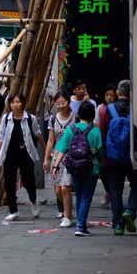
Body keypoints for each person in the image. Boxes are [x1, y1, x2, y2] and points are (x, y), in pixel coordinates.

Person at [52, 100, 103, 237]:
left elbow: (62, 149)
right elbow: (100, 151)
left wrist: (56, 165)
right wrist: (100, 164)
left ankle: (81, 222)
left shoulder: (71, 129)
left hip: (74, 168)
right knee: (86, 196)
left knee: (80, 196)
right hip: (91, 169)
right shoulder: (96, 131)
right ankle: (81, 226)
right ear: (92, 116)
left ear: (79, 114)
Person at [0, 93, 46, 222]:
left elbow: (37, 133)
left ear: (22, 103)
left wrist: (46, 149)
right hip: (10, 154)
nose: (15, 105)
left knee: (28, 181)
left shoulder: (30, 118)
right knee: (9, 181)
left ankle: (33, 202)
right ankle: (13, 211)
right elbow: (0, 137)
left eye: (17, 102)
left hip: (26, 153)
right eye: (12, 102)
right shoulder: (6, 118)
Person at [100, 79, 137, 236]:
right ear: (130, 94)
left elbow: (102, 132)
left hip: (113, 157)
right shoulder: (136, 109)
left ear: (118, 92)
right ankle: (130, 212)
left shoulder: (108, 109)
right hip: (132, 156)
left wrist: (103, 155)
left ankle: (118, 225)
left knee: (115, 190)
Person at [43, 90, 75, 227]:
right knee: (57, 190)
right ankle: (69, 211)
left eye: (63, 103)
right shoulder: (53, 118)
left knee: (64, 187)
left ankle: (67, 217)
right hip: (57, 156)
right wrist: (46, 158)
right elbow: (51, 140)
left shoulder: (76, 117)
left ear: (69, 102)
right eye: (58, 103)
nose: (61, 105)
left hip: (72, 155)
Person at [96, 83, 117, 205]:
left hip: (115, 143)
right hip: (104, 142)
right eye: (107, 95)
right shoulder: (101, 108)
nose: (109, 97)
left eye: (112, 95)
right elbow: (97, 126)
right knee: (103, 170)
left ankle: (112, 193)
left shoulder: (119, 109)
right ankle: (108, 191)